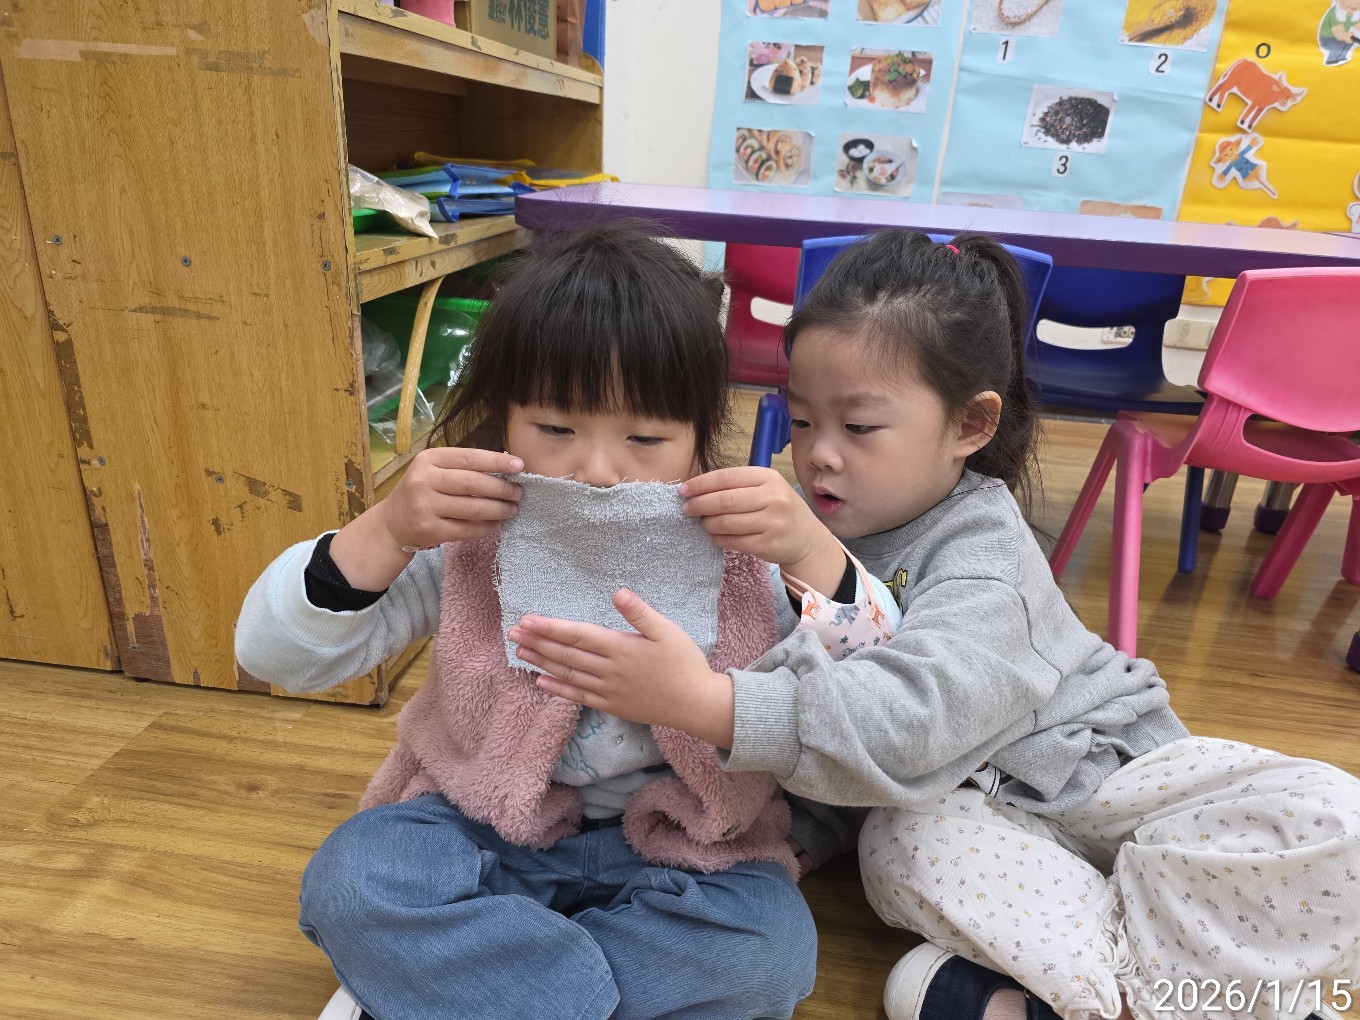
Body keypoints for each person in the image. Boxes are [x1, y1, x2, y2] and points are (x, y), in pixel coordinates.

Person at [512, 230, 1360, 1020]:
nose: (819, 452)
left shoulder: (987, 555)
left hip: (1102, 772)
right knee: (902, 850)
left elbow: (907, 719)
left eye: (859, 426)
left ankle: (1066, 988)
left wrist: (716, 704)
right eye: (801, 419)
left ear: (970, 425)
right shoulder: (783, 520)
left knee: (1337, 820)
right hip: (955, 815)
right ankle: (1115, 989)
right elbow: (827, 740)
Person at [235, 224, 819, 1020]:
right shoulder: (473, 539)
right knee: (354, 881)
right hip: (481, 827)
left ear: (699, 437)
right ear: (504, 420)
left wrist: (810, 551)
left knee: (770, 951)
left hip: (683, 844)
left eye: (646, 438)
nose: (598, 470)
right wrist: (385, 529)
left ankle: (470, 988)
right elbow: (273, 656)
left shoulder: (741, 552)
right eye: (555, 430)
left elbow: (856, 691)